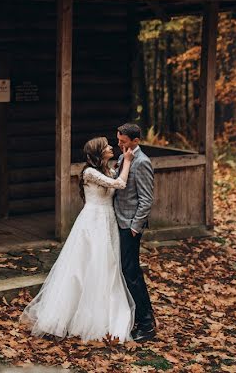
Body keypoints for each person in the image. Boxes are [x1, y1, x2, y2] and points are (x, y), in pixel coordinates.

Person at [20, 137, 137, 342]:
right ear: (100, 152)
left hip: (107, 219)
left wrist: (119, 165)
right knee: (85, 265)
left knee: (107, 265)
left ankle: (103, 310)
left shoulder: (105, 170)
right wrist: (127, 161)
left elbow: (114, 181)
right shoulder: (90, 172)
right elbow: (120, 184)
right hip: (92, 222)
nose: (111, 147)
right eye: (107, 146)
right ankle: (72, 316)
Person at [114, 123, 157, 341]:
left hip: (130, 226)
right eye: (119, 140)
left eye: (123, 141)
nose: (119, 144)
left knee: (131, 273)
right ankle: (132, 317)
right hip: (118, 222)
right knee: (125, 271)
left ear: (135, 141)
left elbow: (146, 199)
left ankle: (147, 323)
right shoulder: (125, 157)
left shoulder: (142, 162)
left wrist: (134, 226)